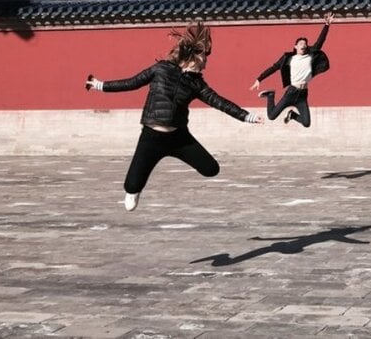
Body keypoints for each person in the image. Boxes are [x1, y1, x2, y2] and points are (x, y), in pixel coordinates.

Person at [84, 21, 263, 212]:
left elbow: (219, 102)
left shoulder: (197, 84)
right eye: (203, 58)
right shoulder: (161, 69)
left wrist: (247, 117)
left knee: (211, 169)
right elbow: (132, 82)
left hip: (179, 138)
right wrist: (100, 85)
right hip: (151, 138)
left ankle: (171, 157)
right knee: (131, 188)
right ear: (192, 56)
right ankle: (134, 190)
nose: (205, 63)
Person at [250, 13, 333, 127]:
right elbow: (274, 67)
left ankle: (292, 115)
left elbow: (320, 42)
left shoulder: (310, 56)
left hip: (303, 94)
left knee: (306, 123)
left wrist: (327, 25)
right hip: (291, 92)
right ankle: (270, 95)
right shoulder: (289, 59)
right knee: (272, 116)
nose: (303, 45)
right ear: (295, 46)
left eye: (305, 44)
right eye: (301, 44)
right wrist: (259, 79)